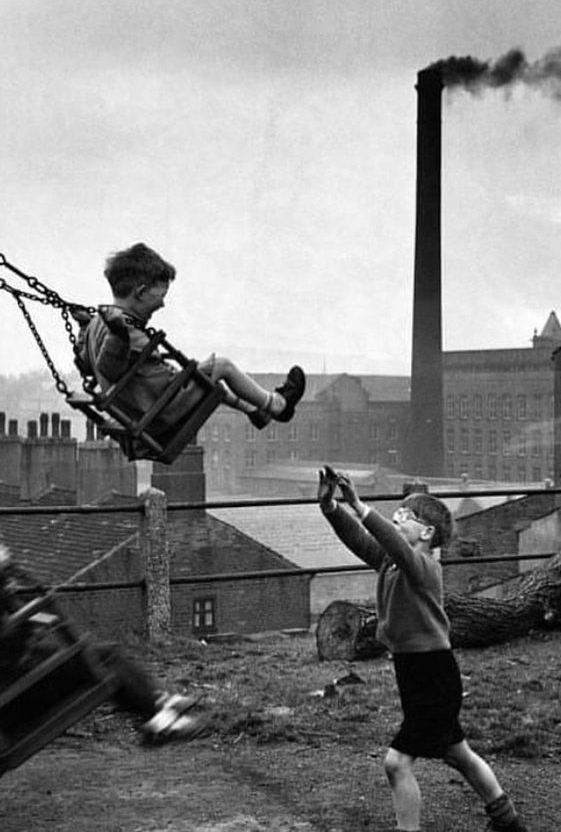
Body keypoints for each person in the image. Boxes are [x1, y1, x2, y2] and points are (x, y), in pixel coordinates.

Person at [317, 466, 527, 832]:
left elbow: (390, 541)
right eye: (395, 514)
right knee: (457, 752)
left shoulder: (426, 568)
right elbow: (362, 540)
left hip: (433, 675)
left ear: (427, 533)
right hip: (416, 673)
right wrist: (332, 508)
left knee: (396, 763)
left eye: (405, 517)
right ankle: (506, 819)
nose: (396, 518)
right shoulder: (391, 562)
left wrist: (359, 505)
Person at [77, 242, 306, 444]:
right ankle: (276, 404)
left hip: (143, 406)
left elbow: (87, 365)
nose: (162, 305)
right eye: (160, 296)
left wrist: (83, 333)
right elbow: (110, 367)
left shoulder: (98, 323)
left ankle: (254, 410)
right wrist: (118, 337)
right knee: (221, 366)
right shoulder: (123, 329)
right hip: (158, 412)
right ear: (141, 292)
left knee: (201, 377)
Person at [0, 542, 204, 745]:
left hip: (14, 686)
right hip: (13, 696)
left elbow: (31, 601)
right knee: (105, 659)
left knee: (98, 656)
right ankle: (159, 715)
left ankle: (157, 707)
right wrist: (8, 574)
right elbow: (16, 630)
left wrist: (10, 576)